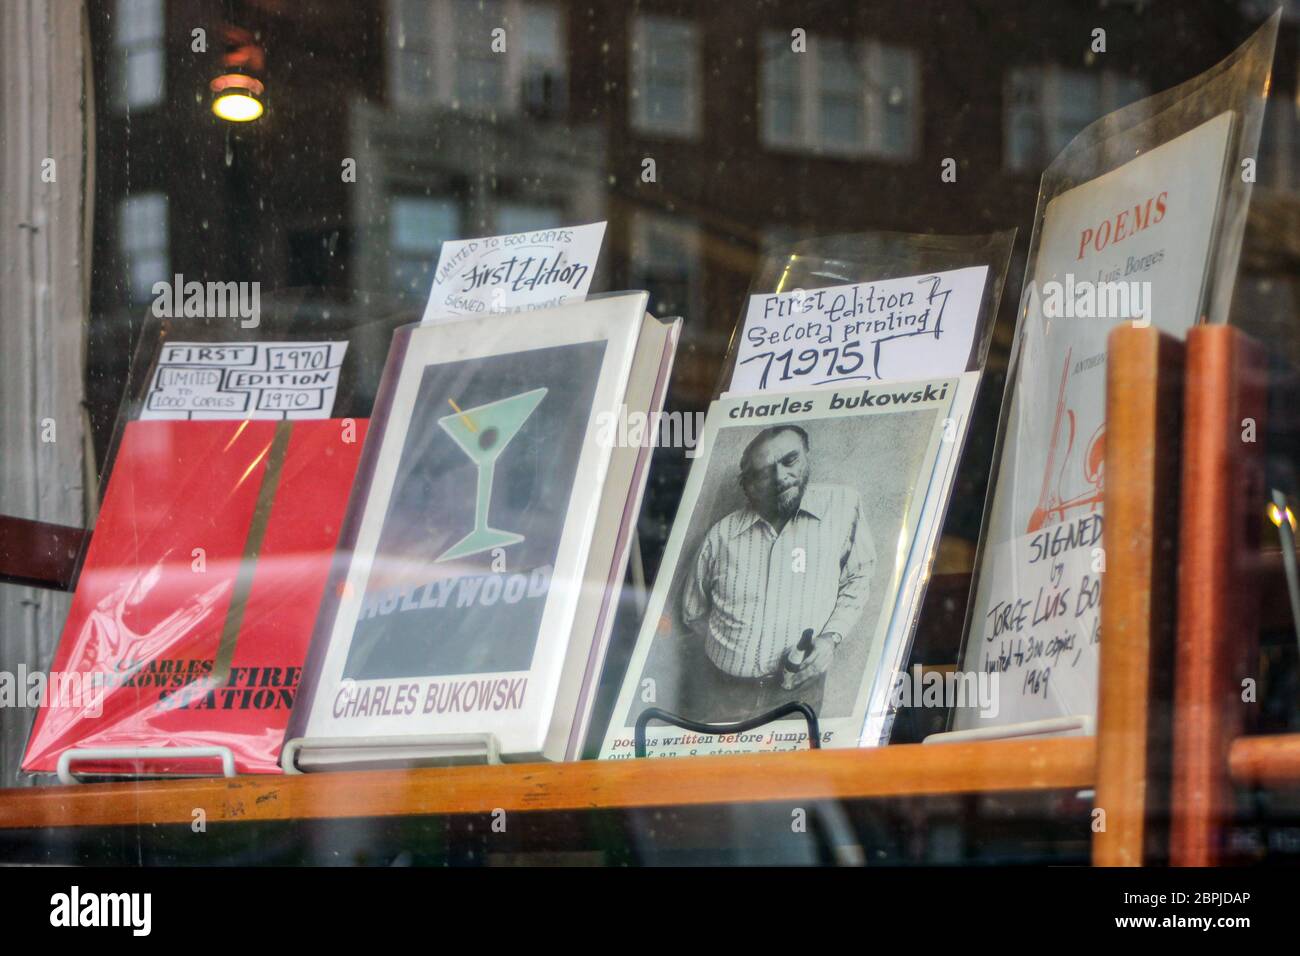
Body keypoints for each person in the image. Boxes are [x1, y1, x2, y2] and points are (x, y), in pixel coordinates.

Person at [680, 424, 875, 723]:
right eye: (763, 472)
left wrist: (830, 639)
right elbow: (692, 613)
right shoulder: (721, 535)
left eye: (790, 460)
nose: (780, 477)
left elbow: (858, 577)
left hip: (798, 695)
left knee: (795, 771)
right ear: (747, 485)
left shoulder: (843, 506)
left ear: (807, 457)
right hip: (724, 695)